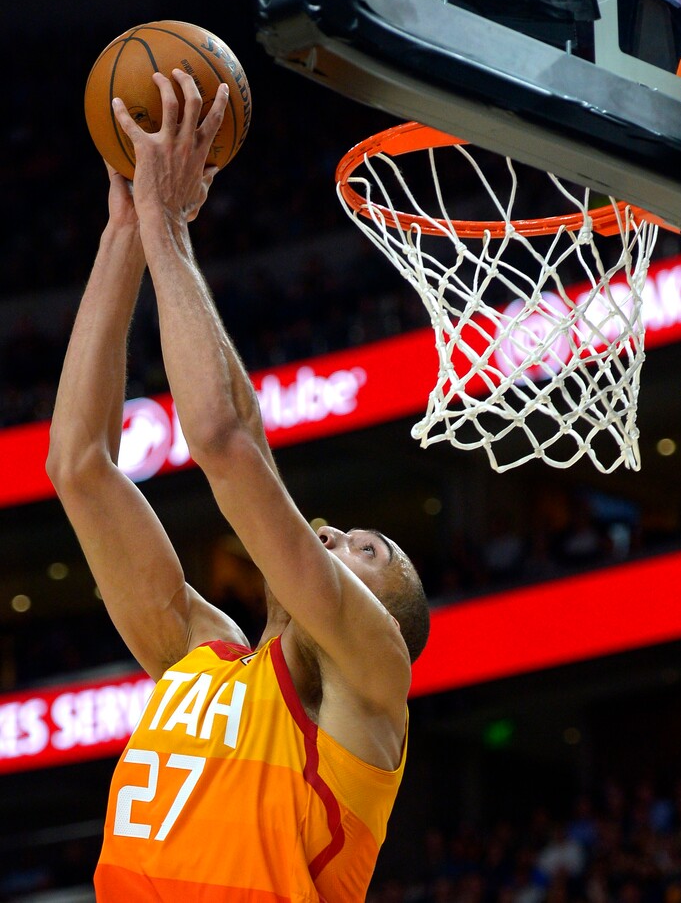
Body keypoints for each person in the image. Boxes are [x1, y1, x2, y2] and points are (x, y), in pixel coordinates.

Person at [46, 69, 430, 902]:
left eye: (371, 551)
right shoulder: (197, 655)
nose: (335, 534)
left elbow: (221, 441)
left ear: (384, 621)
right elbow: (79, 467)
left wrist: (167, 224)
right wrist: (124, 236)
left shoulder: (372, 679)